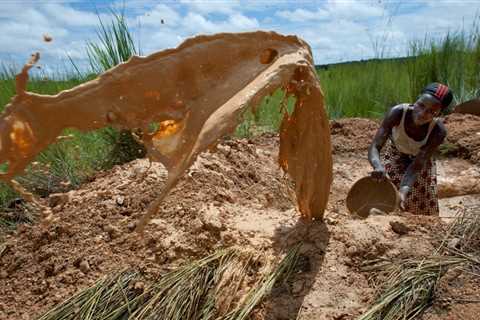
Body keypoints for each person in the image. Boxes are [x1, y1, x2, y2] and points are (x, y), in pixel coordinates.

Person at [368, 83, 453, 215]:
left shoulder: (438, 131)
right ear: (416, 99)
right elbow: (375, 146)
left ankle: (420, 230)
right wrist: (378, 166)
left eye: (431, 111)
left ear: (439, 113)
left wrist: (403, 191)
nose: (422, 113)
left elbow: (416, 166)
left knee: (420, 202)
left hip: (420, 164)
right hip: (395, 155)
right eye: (421, 105)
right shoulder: (397, 113)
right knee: (384, 191)